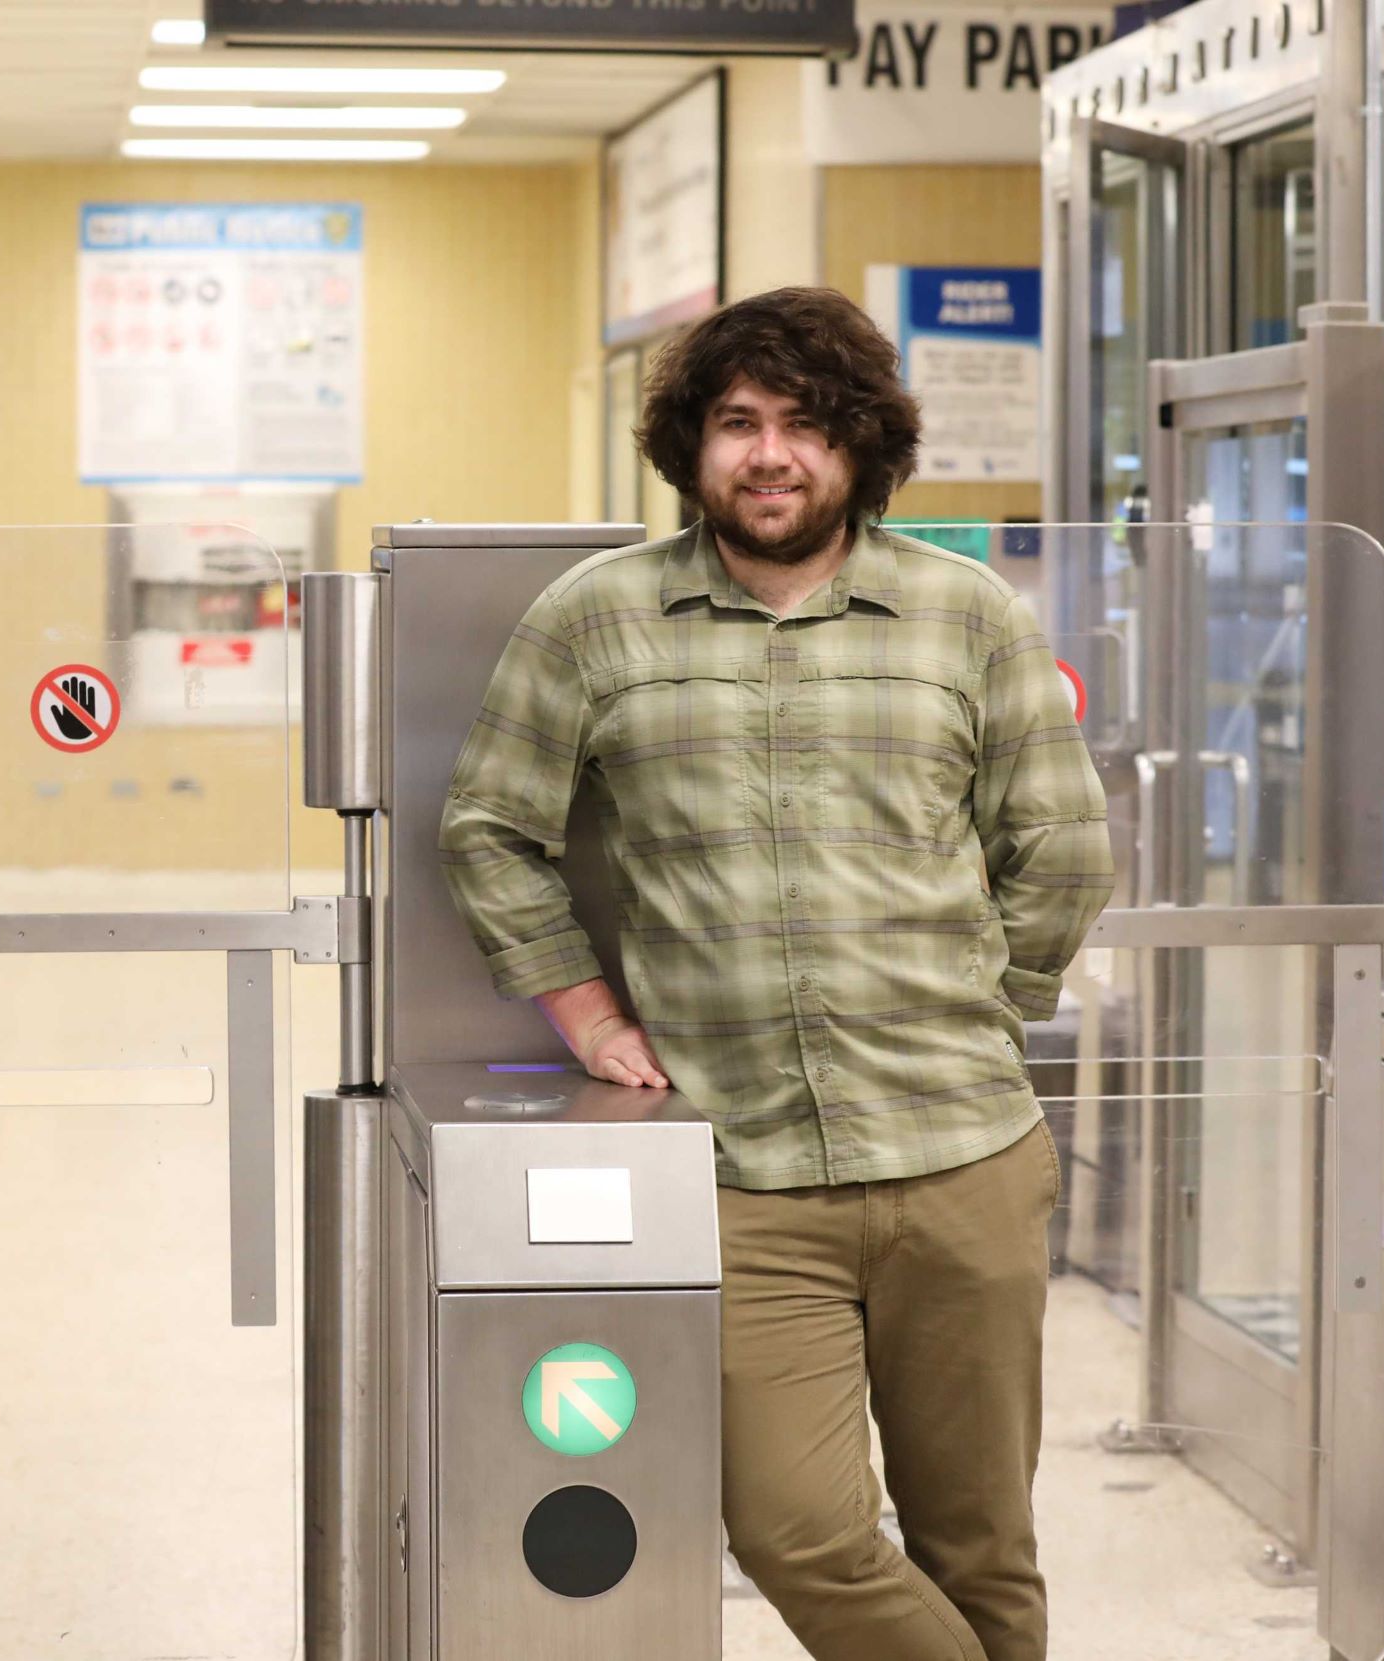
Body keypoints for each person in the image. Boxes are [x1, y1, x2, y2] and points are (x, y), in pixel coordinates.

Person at [439, 288, 1113, 1661]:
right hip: (739, 1175)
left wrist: (982, 1018)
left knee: (979, 1541)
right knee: (795, 1527)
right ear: (690, 444)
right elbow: (487, 829)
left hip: (961, 1155)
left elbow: (1060, 852)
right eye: (737, 423)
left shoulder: (962, 616)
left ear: (858, 445)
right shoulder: (596, 621)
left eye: (804, 426)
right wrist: (578, 1006)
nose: (768, 454)